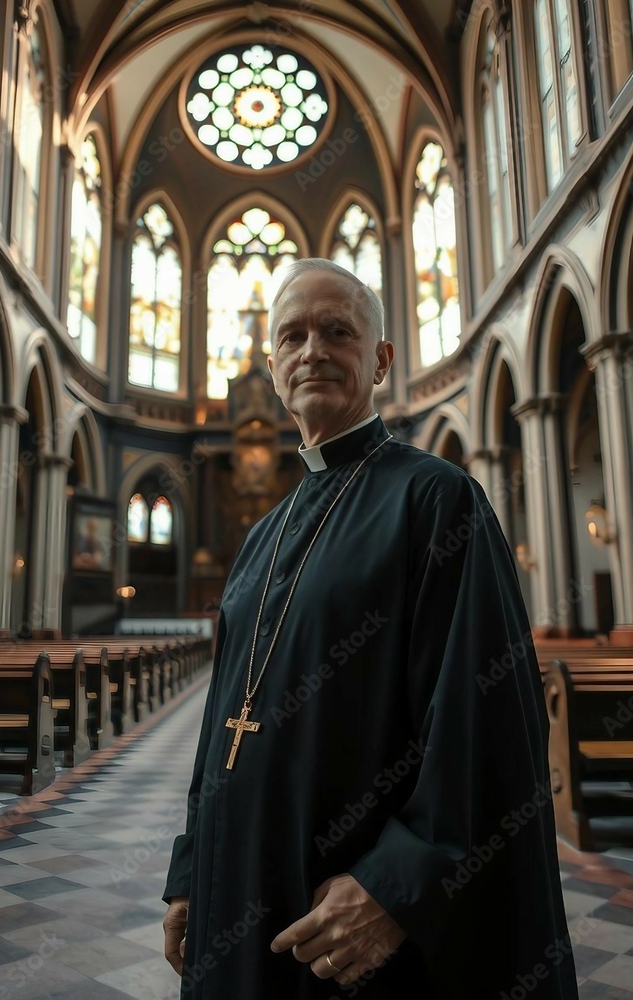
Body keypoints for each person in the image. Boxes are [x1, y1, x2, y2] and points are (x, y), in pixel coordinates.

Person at [162, 258, 577, 999]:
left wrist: (397, 885)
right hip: (238, 895)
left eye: (337, 331)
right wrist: (194, 870)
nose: (311, 350)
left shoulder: (437, 501)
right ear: (271, 366)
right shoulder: (260, 537)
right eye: (292, 337)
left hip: (357, 926)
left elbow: (480, 725)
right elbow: (224, 724)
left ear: (381, 359)